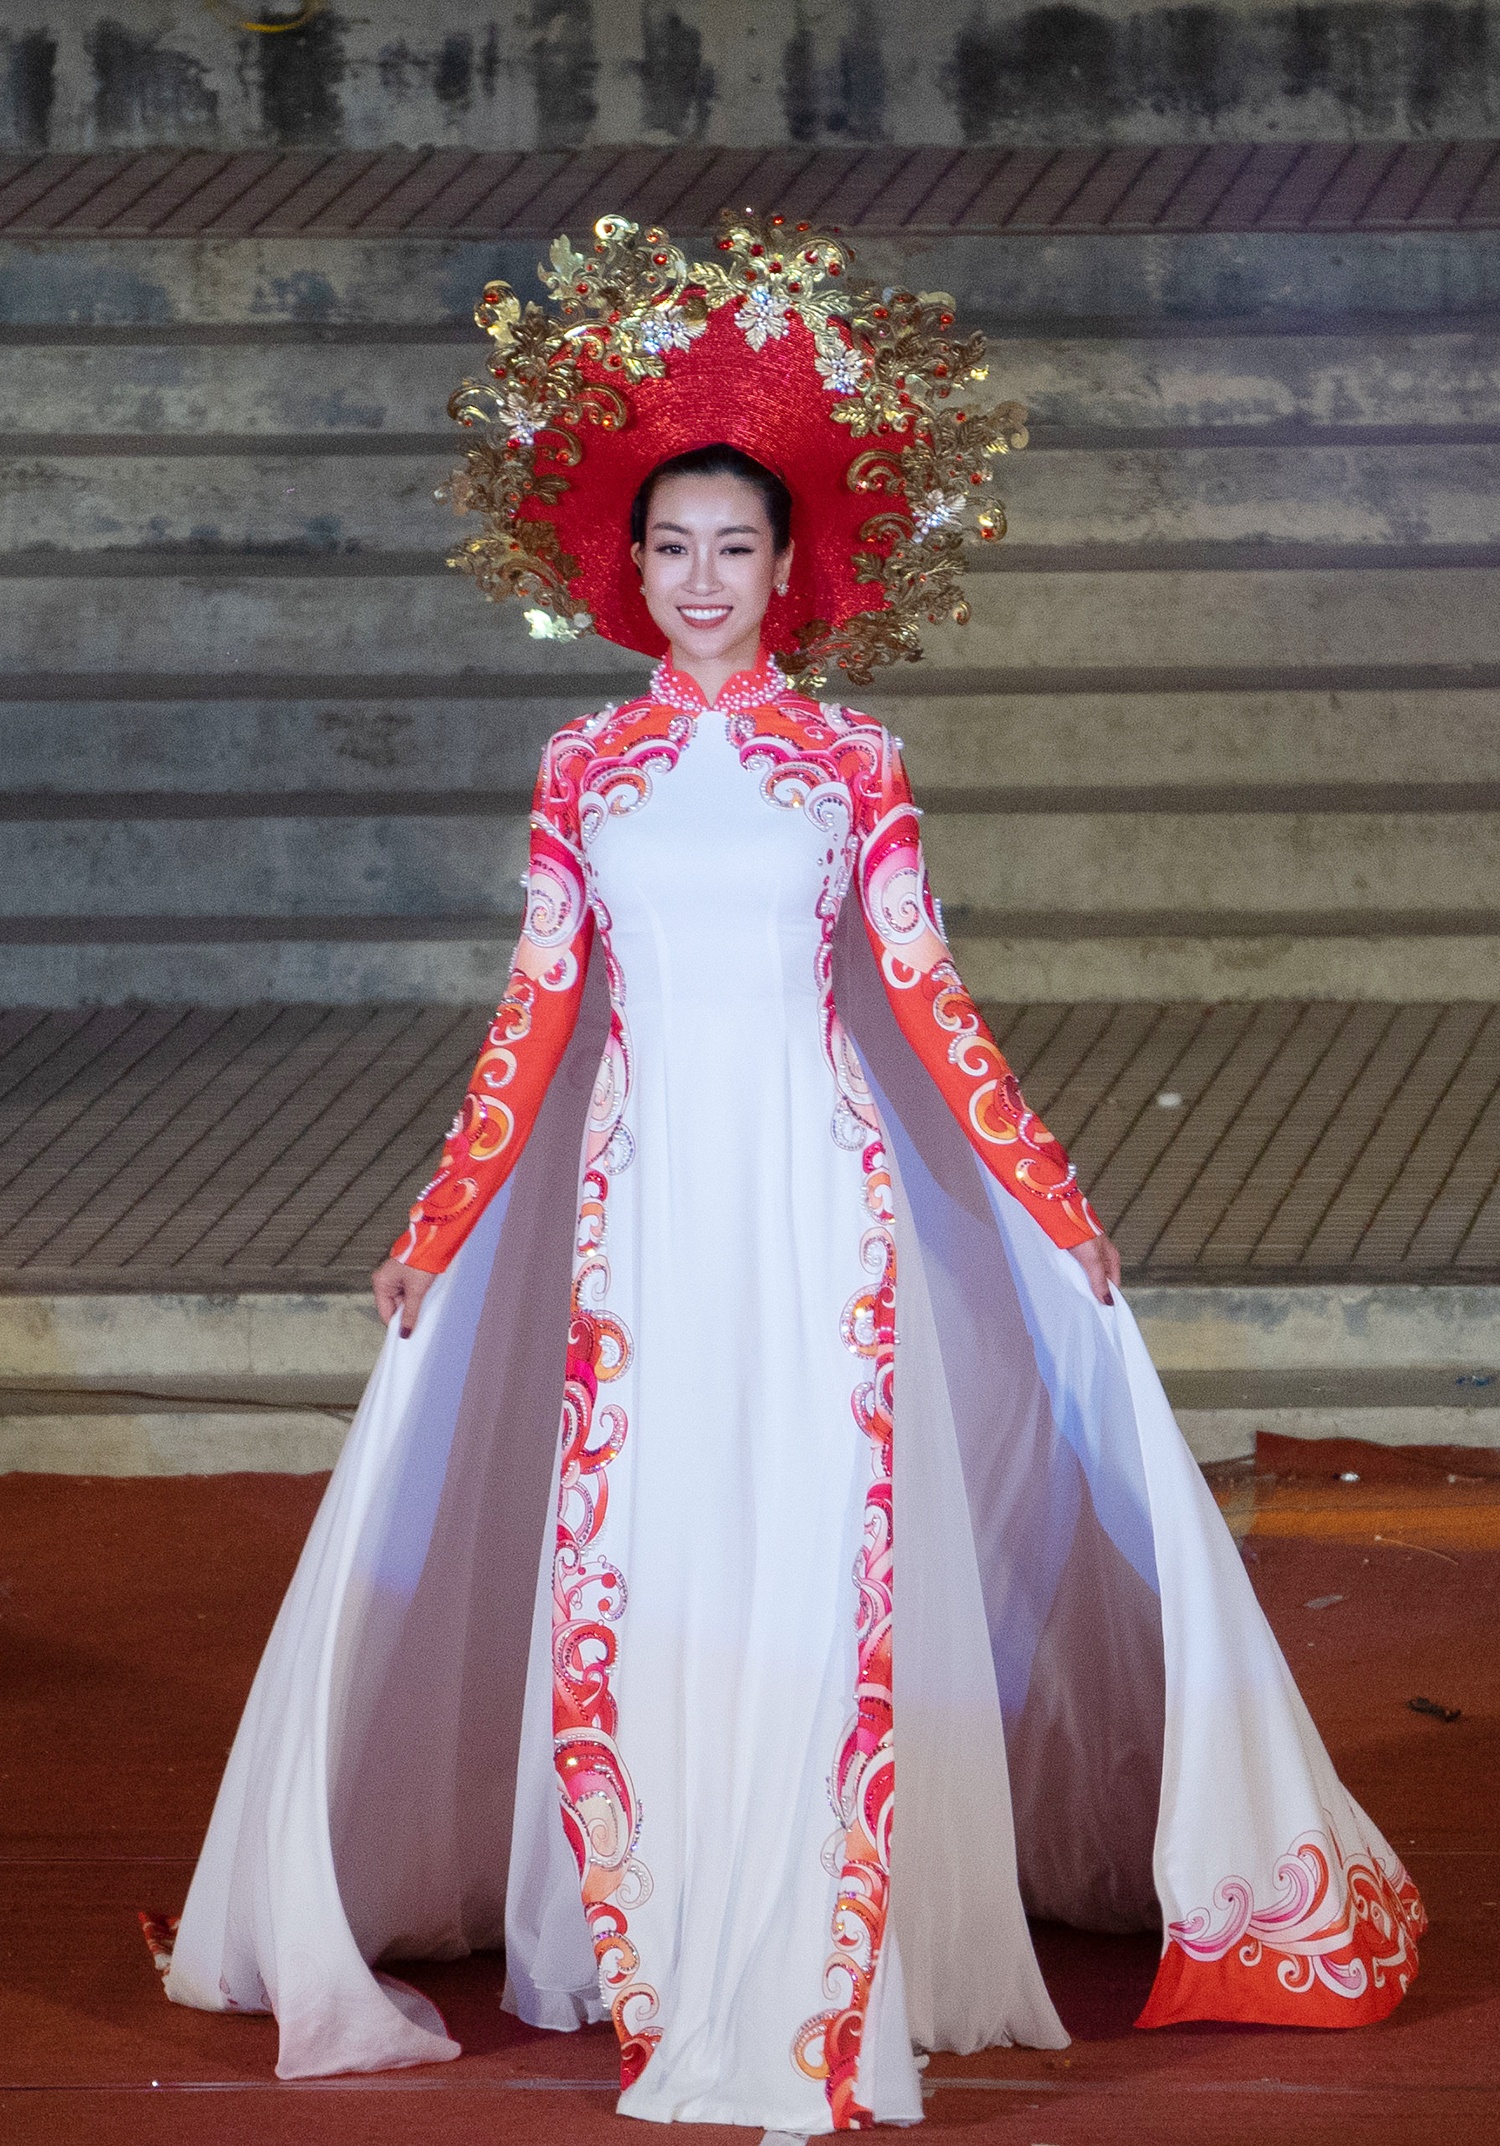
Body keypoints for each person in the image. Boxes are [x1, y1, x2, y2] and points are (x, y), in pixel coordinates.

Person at [163, 213, 1425, 2137]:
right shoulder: (584, 768)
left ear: (789, 564)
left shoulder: (857, 762)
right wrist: (435, 1221)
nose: (697, 579)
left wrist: (1052, 1199)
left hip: (821, 1207)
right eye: (667, 547)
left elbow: (923, 995)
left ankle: (818, 1944)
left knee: (815, 1553)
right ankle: (663, 1926)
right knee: (653, 1548)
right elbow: (532, 1012)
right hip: (647, 1204)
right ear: (626, 562)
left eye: (732, 547)